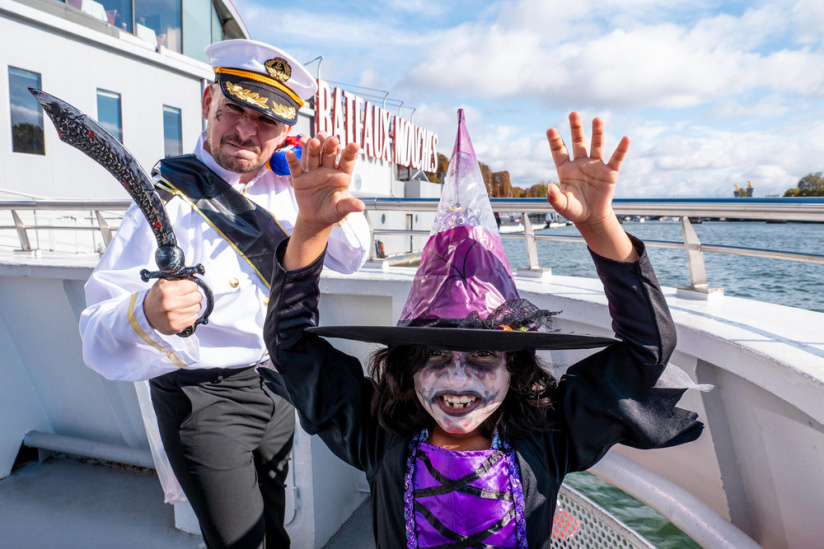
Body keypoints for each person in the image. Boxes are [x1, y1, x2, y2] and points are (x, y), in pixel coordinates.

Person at [261, 110, 704, 548]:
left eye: (482, 356)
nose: (457, 378)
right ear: (407, 364)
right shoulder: (379, 434)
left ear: (515, 368)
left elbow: (646, 349)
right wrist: (311, 229)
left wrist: (599, 227)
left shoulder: (551, 436)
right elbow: (292, 345)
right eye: (434, 355)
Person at [79, 39, 370, 548]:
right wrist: (144, 312)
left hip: (278, 384)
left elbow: (352, 258)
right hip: (201, 397)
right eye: (234, 109)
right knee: (239, 541)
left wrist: (330, 200)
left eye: (267, 122)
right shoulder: (163, 200)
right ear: (207, 102)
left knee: (277, 524)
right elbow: (94, 330)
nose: (245, 131)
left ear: (285, 132)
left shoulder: (291, 188)